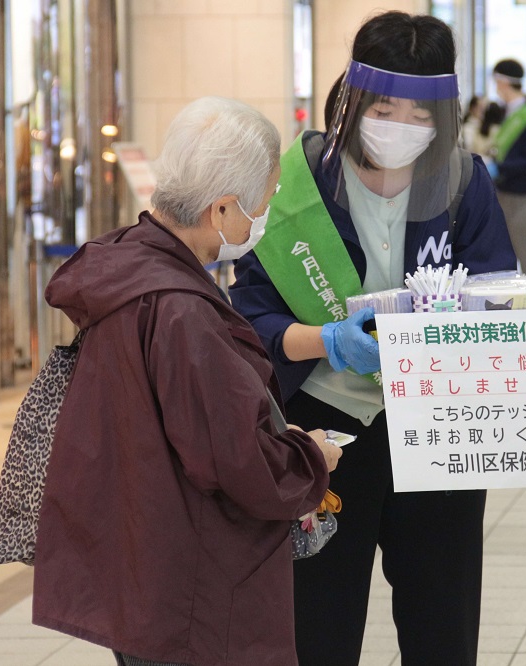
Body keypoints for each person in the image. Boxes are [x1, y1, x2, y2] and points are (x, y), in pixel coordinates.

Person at [230, 12, 516, 666]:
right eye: (386, 109)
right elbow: (247, 316)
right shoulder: (297, 184)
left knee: (442, 623)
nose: (403, 129)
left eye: (422, 116)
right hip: (320, 438)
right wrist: (324, 339)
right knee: (316, 625)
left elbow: (501, 291)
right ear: (352, 97)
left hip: (439, 430)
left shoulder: (462, 182)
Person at [31, 97, 342, 666]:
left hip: (142, 554)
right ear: (222, 210)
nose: (265, 217)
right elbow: (236, 460)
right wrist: (309, 457)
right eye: (265, 202)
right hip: (191, 584)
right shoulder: (180, 309)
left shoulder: (127, 267)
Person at [492, 58, 526, 275]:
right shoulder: (507, 113)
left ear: (502, 81)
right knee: (506, 252)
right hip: (504, 191)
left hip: (524, 195)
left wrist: (499, 168)